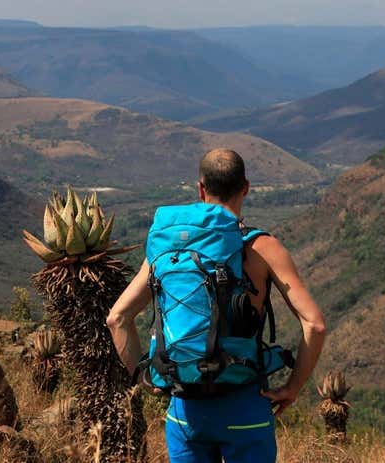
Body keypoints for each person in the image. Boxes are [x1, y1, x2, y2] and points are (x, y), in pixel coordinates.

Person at [107, 148, 326, 463]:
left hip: (185, 414)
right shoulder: (262, 248)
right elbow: (315, 325)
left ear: (200, 188)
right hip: (245, 407)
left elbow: (117, 318)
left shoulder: (170, 248)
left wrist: (145, 380)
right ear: (246, 188)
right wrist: (293, 388)